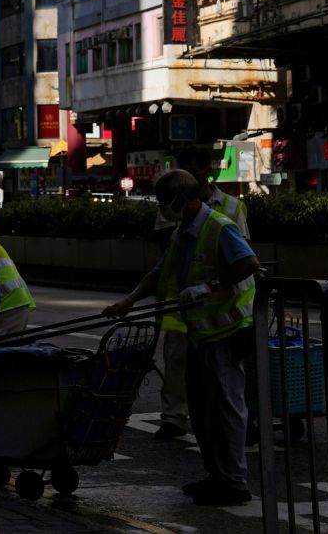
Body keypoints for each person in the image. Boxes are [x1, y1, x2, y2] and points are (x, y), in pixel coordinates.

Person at [105, 168, 258, 506]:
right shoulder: (183, 231)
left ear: (181, 198)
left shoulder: (218, 227)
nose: (162, 209)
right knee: (202, 411)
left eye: (164, 202)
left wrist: (209, 286)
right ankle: (215, 475)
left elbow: (248, 264)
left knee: (226, 409)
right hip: (200, 334)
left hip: (227, 332)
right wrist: (129, 301)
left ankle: (233, 481)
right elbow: (160, 271)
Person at [151, 148, 251, 441]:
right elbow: (164, 258)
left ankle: (229, 447)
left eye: (197, 166)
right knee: (177, 361)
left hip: (221, 309)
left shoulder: (231, 209)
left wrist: (209, 286)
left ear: (209, 169)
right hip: (182, 302)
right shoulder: (171, 204)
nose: (192, 171)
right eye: (186, 164)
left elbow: (244, 259)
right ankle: (174, 417)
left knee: (221, 383)